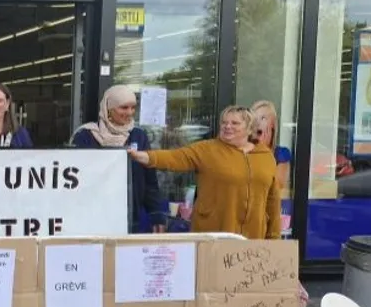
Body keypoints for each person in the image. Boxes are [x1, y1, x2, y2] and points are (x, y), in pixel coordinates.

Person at [128, 105, 281, 240]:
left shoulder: (265, 156)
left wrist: (274, 238)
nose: (227, 126)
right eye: (224, 122)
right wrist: (144, 156)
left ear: (249, 129)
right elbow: (175, 157)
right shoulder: (208, 149)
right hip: (214, 235)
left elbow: (272, 200)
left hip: (253, 239)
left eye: (234, 123)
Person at [72, 85, 166, 234]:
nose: (129, 113)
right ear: (109, 108)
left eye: (133, 107)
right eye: (123, 108)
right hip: (93, 218)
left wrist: (156, 214)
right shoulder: (86, 136)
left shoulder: (138, 136)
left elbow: (149, 180)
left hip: (130, 218)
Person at [251, 100, 292, 192]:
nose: (258, 122)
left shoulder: (281, 153)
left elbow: (278, 185)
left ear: (272, 124)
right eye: (255, 118)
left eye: (263, 118)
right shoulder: (243, 150)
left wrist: (263, 148)